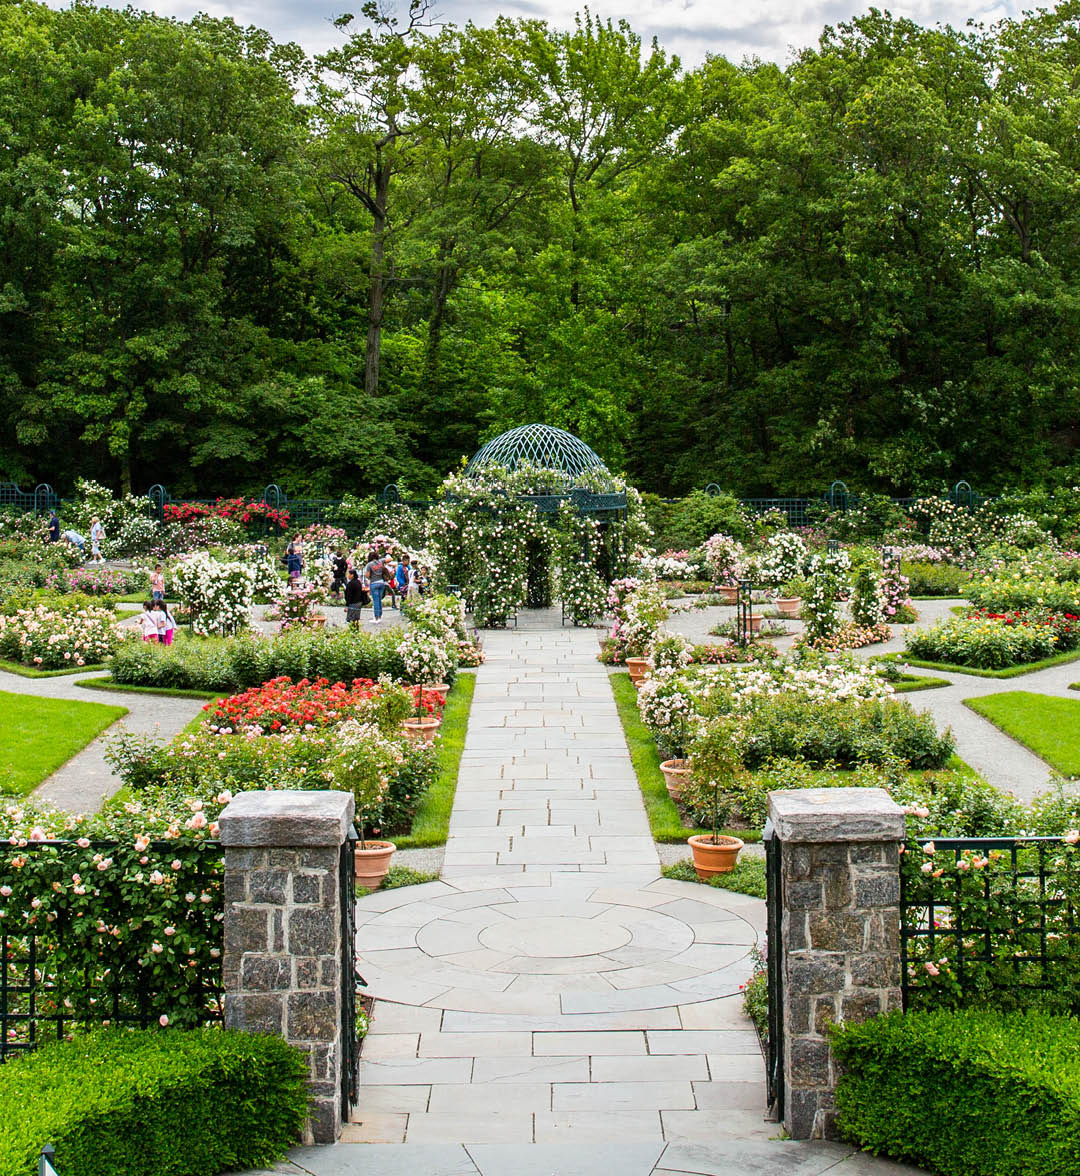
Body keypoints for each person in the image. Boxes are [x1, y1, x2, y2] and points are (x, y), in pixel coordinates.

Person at [364, 552, 388, 624]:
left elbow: (367, 575)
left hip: (374, 583)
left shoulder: (369, 565)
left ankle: (376, 618)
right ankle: (380, 616)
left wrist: (371, 576)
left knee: (376, 601)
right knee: (379, 600)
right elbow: (390, 559)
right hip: (382, 582)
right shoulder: (380, 562)